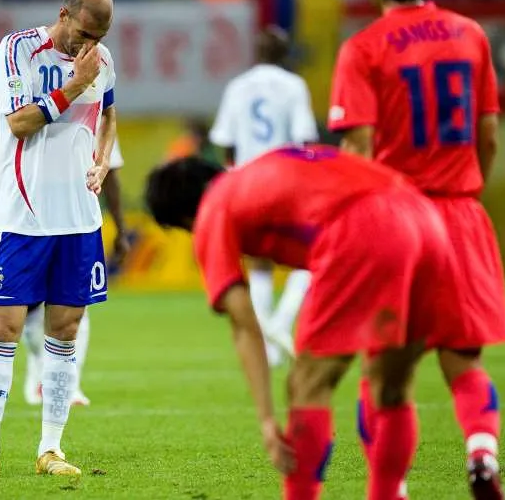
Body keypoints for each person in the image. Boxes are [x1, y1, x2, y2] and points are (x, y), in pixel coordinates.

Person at [145, 147, 465, 500]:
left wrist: (267, 420)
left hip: (361, 230)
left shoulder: (213, 208)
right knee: (391, 386)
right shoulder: (265, 168)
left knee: (306, 386)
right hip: (427, 220)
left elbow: (244, 323)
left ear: (183, 219)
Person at [328, 0, 505, 498]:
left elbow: (359, 145)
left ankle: (389, 488)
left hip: (396, 219)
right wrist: (465, 189)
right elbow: (488, 135)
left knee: (382, 370)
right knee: (464, 360)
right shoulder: (469, 34)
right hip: (459, 213)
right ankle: (480, 449)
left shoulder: (365, 46)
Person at [0, 0, 117, 479]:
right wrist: (71, 84)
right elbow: (21, 123)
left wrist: (104, 159)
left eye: (98, 38)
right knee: (2, 329)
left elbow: (108, 115)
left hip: (78, 219)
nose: (87, 47)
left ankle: (51, 449)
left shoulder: (101, 59)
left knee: (65, 333)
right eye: (83, 34)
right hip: (21, 218)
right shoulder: (17, 49)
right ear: (63, 14)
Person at [209, 25, 319, 367]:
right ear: (285, 55)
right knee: (312, 255)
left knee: (258, 261)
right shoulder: (294, 86)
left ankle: (269, 342)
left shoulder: (238, 86)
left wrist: (232, 173)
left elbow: (225, 140)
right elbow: (304, 139)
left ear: (256, 54)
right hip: (285, 177)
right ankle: (280, 325)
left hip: (246, 180)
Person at [22, 138, 130, 407]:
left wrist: (120, 229)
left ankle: (68, 383)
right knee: (28, 306)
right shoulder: (30, 108)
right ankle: (38, 363)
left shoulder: (99, 116)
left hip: (78, 223)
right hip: (30, 222)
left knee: (74, 302)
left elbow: (111, 175)